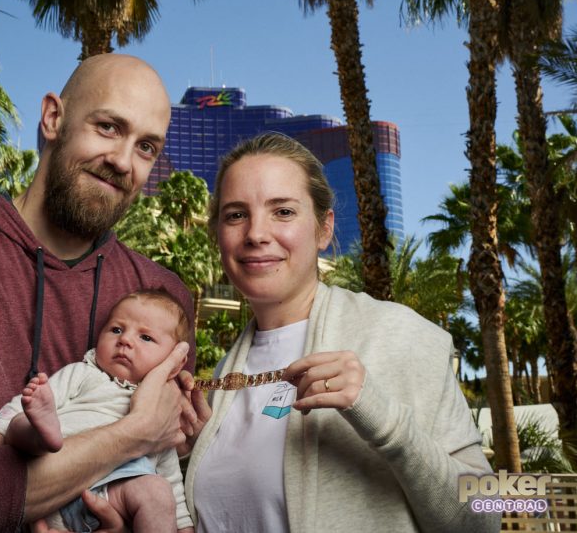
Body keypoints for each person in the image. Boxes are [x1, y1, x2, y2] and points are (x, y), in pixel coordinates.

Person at [0, 54, 201, 533]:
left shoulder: (164, 301)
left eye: (147, 147)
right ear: (54, 117)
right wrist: (132, 434)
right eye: (109, 127)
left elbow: (171, 485)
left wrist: (184, 442)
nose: (123, 161)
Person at [183, 133, 501, 532]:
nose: (256, 233)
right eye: (235, 214)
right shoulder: (222, 380)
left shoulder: (401, 336)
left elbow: (485, 518)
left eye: (282, 211)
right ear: (218, 234)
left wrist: (385, 422)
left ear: (324, 228)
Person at [0, 290, 194, 533]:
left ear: (175, 360)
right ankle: (45, 434)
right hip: (49, 476)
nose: (125, 340)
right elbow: (18, 404)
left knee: (158, 493)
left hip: (109, 496)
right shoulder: (83, 373)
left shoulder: (162, 413)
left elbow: (172, 484)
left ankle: (43, 433)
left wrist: (183, 526)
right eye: (116, 329)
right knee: (21, 422)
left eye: (146, 337)